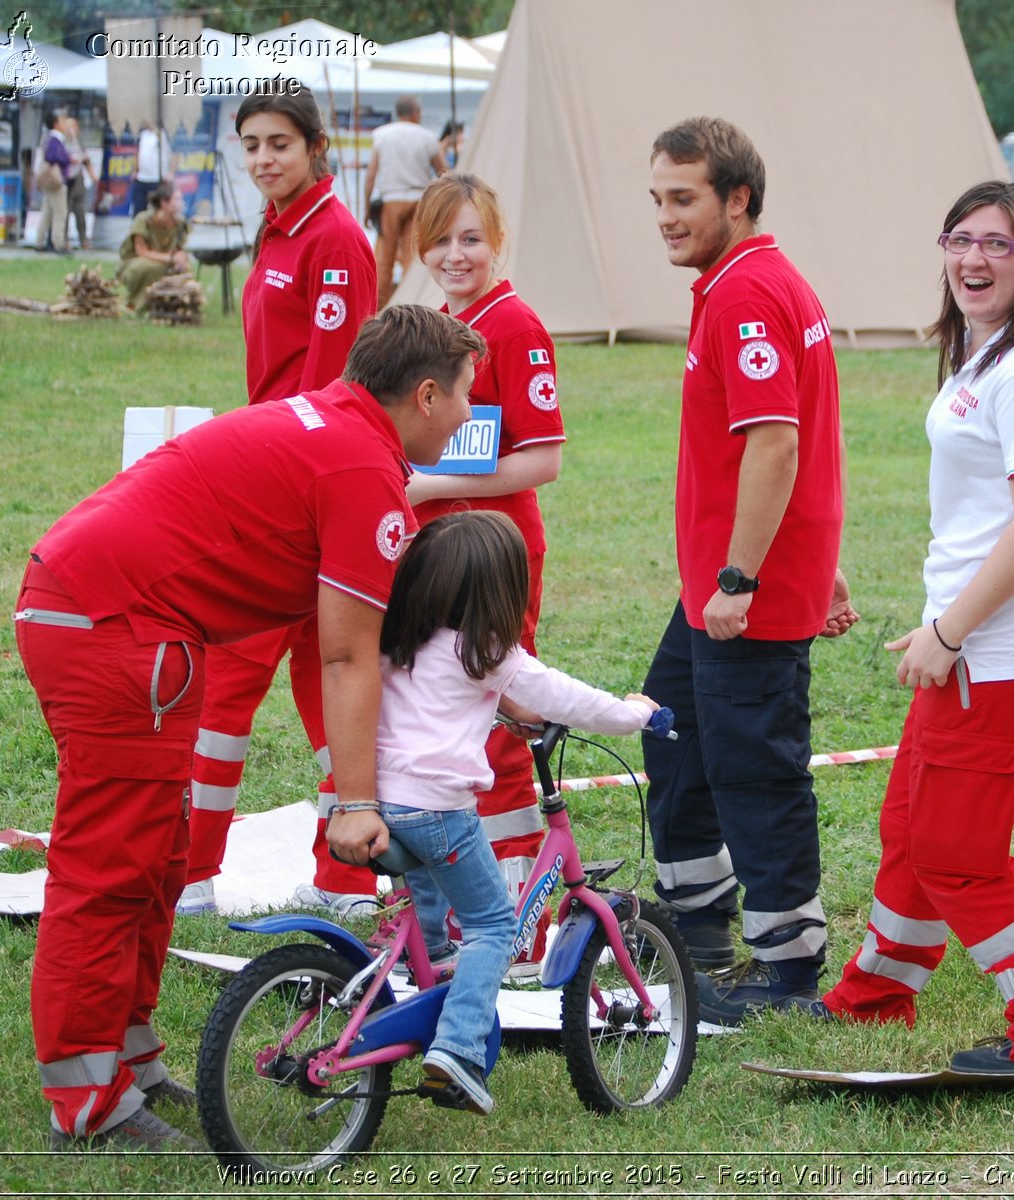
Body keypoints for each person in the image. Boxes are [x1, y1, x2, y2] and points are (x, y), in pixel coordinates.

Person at [16, 305, 486, 1149]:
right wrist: (354, 802)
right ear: (423, 395)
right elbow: (346, 656)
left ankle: (126, 1056)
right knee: (111, 866)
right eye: (463, 397)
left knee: (158, 853)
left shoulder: (331, 425)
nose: (467, 416)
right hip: (116, 622)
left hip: (100, 605)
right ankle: (88, 1104)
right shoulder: (359, 468)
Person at [820, 181, 1014, 1081]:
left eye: (999, 245)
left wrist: (947, 633)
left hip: (1001, 648)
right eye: (960, 241)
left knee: (955, 851)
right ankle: (876, 990)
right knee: (910, 820)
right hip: (972, 636)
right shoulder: (989, 353)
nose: (973, 261)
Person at [329, 510, 660, 1115]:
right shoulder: (487, 651)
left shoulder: (399, 643)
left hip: (383, 803)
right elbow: (564, 696)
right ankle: (454, 1049)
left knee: (432, 895)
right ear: (498, 593)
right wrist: (634, 711)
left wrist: (504, 708)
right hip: (438, 812)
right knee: (494, 927)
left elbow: (454, 698)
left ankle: (433, 987)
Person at [642, 116, 857, 1024]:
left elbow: (776, 441)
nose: (664, 216)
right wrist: (816, 561)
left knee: (754, 771)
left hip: (741, 595)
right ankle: (697, 934)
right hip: (727, 586)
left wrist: (740, 580)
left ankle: (788, 970)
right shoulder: (746, 280)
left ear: (736, 198)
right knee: (670, 732)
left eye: (683, 198)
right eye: (656, 198)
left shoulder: (745, 293)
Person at [177, 83, 379, 919]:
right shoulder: (278, 226)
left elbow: (330, 390)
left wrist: (271, 490)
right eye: (251, 144)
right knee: (315, 684)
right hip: (278, 479)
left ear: (315, 147)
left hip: (296, 495)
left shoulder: (333, 238)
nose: (264, 158)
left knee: (226, 687)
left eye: (279, 144)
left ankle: (186, 881)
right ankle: (348, 884)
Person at [409, 172, 566, 975]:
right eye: (440, 239)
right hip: (439, 554)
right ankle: (461, 912)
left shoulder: (515, 324)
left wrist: (427, 485)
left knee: (499, 722)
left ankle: (518, 921)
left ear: (499, 241)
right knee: (439, 724)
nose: (455, 254)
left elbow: (541, 459)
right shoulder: (441, 325)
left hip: (494, 555)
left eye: (471, 237)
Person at [365, 95, 447, 306]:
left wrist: (366, 208)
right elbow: (444, 172)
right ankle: (412, 304)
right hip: (419, 201)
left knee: (384, 259)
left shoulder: (381, 135)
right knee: (414, 258)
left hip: (391, 200)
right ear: (416, 113)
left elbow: (371, 175)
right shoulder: (428, 137)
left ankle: (379, 306)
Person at [115, 182, 189, 311]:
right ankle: (135, 303)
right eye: (176, 199)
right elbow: (142, 251)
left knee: (185, 270)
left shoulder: (180, 222)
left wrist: (180, 256)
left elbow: (179, 247)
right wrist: (171, 257)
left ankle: (172, 305)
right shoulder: (144, 219)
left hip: (165, 260)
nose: (181, 203)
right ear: (164, 202)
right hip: (135, 260)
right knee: (147, 267)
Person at [34, 110, 70, 255]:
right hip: (56, 182)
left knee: (47, 213)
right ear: (56, 124)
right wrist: (67, 158)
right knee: (60, 212)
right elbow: (54, 156)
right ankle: (59, 243)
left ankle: (39, 241)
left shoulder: (48, 138)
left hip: (49, 183)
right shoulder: (55, 139)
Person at [63, 116, 97, 251]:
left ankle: (83, 239)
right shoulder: (63, 140)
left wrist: (92, 175)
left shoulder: (79, 142)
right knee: (65, 211)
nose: (76, 129)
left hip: (77, 178)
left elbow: (85, 159)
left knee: (80, 211)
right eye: (73, 126)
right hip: (65, 179)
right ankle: (64, 240)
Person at [131, 122, 171, 217]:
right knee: (139, 209)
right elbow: (138, 153)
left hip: (158, 179)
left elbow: (174, 153)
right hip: (142, 178)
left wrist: (170, 173)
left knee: (158, 210)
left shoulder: (165, 134)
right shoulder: (142, 134)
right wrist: (135, 170)